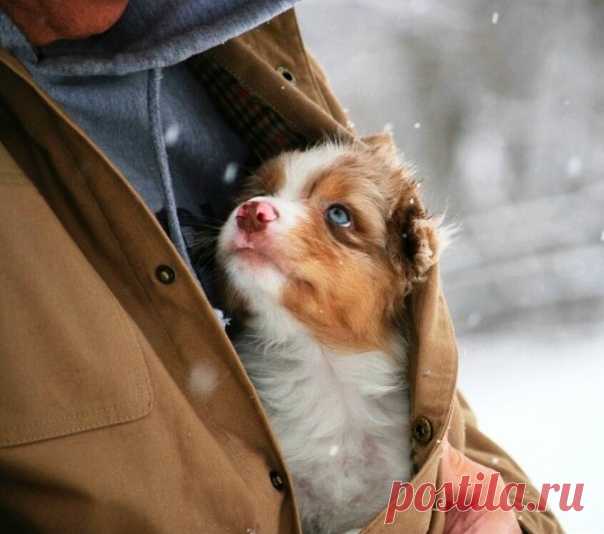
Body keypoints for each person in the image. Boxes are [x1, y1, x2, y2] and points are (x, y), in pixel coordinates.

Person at [0, 2, 561, 533]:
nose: (257, 211)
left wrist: (510, 517)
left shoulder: (246, 45)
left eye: (336, 213)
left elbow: (442, 416)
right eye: (263, 194)